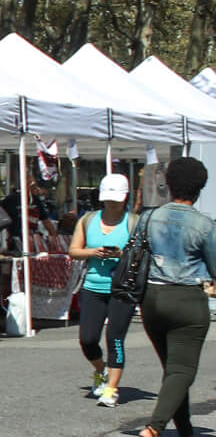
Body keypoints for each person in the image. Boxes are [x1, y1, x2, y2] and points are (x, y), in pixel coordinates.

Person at [131, 156, 216, 437]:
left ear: (170, 184)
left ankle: (188, 435)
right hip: (187, 302)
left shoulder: (149, 217)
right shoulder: (205, 225)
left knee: (173, 371)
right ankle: (154, 430)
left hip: (152, 300)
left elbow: (134, 252)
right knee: (182, 370)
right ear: (200, 188)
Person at [69, 173, 135, 410]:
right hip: (93, 287)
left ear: (125, 196)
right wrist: (94, 252)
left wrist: (121, 254)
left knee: (115, 338)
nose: (112, 203)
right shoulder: (88, 219)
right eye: (108, 199)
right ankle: (100, 370)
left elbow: (140, 254)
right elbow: (74, 251)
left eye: (116, 199)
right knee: (87, 339)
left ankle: (111, 389)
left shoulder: (133, 221)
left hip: (122, 289)